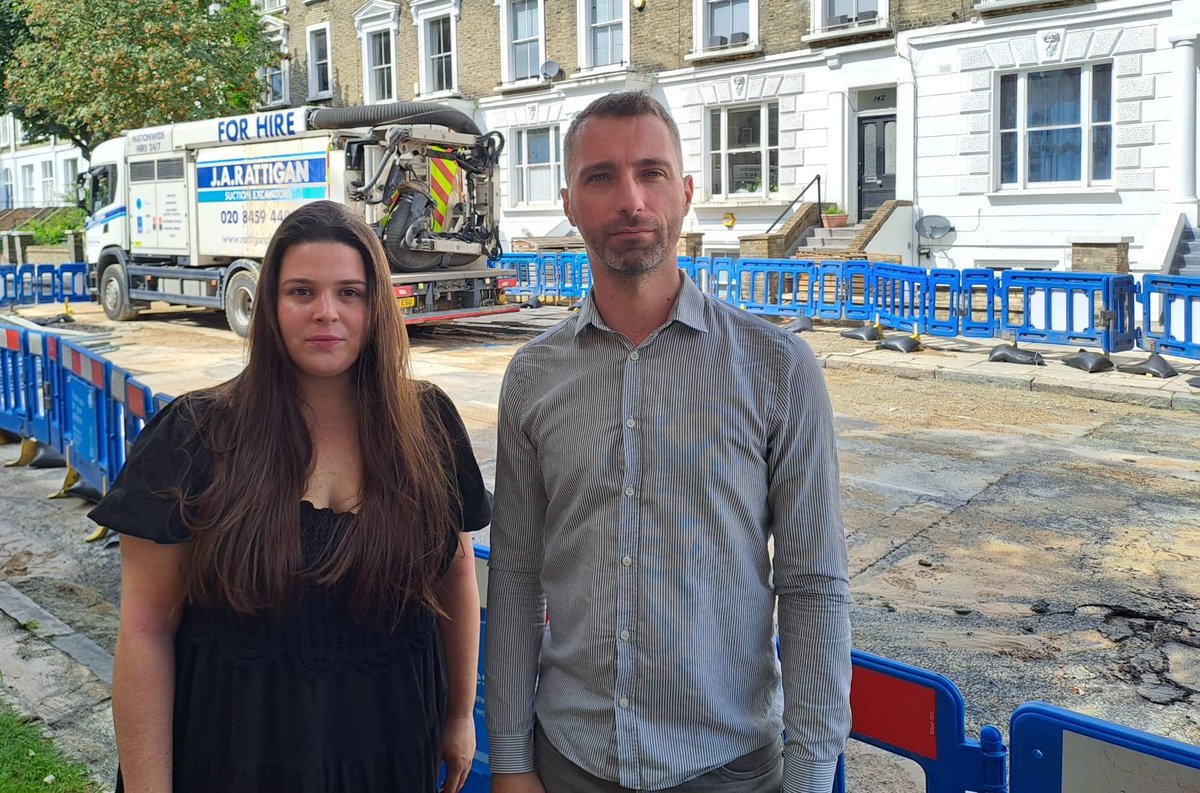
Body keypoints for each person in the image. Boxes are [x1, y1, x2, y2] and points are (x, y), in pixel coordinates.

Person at [484, 91, 851, 793]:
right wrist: (510, 757)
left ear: (684, 193)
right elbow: (517, 578)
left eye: (650, 172)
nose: (630, 199)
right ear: (569, 202)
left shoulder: (778, 369)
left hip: (729, 769)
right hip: (570, 761)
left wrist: (809, 775)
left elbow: (812, 584)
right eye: (601, 177)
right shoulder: (533, 376)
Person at [90, 200, 490, 793]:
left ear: (377, 305)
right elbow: (146, 628)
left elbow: (454, 572)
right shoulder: (196, 435)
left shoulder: (427, 424)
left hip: (392, 744)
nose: (327, 313)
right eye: (302, 292)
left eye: (350, 293)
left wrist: (458, 715)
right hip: (236, 753)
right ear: (269, 305)